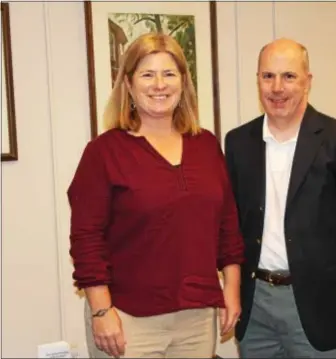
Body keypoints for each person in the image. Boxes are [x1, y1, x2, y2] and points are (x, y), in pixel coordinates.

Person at [67, 32, 244, 358]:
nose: (159, 85)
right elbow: (86, 238)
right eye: (147, 74)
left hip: (197, 318)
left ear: (183, 83)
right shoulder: (104, 152)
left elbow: (228, 226)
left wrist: (232, 290)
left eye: (169, 74)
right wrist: (101, 311)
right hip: (127, 319)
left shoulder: (205, 145)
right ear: (129, 85)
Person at [224, 38, 336, 358]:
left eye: (289, 76)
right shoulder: (238, 142)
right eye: (268, 76)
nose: (277, 87)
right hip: (257, 306)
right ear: (258, 80)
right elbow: (236, 218)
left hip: (318, 302)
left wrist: (324, 258)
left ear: (308, 81)